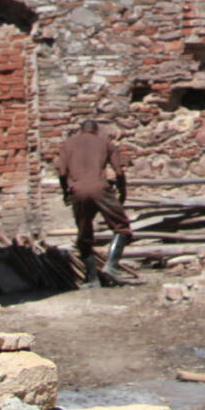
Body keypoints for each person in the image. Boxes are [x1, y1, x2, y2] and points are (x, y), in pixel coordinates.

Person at [57, 112, 133, 287]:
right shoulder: (105, 143)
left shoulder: (67, 144)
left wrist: (65, 192)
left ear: (81, 130)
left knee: (84, 234)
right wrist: (122, 191)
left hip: (77, 190)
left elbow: (62, 173)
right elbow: (119, 171)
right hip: (100, 188)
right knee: (121, 228)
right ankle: (111, 267)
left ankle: (92, 279)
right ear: (96, 131)